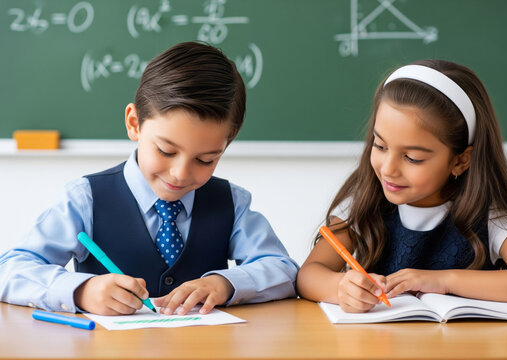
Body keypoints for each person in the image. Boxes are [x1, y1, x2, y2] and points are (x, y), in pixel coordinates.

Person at [0, 42, 298, 316]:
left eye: (205, 160)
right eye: (166, 150)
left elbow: (284, 270)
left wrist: (224, 284)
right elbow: (10, 270)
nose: (180, 173)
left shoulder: (231, 202)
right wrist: (80, 291)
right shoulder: (86, 199)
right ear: (134, 124)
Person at [297, 59, 507, 313]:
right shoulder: (365, 199)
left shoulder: (488, 210)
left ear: (460, 161)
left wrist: (443, 280)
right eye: (380, 146)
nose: (389, 169)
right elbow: (307, 276)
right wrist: (341, 287)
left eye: (412, 158)